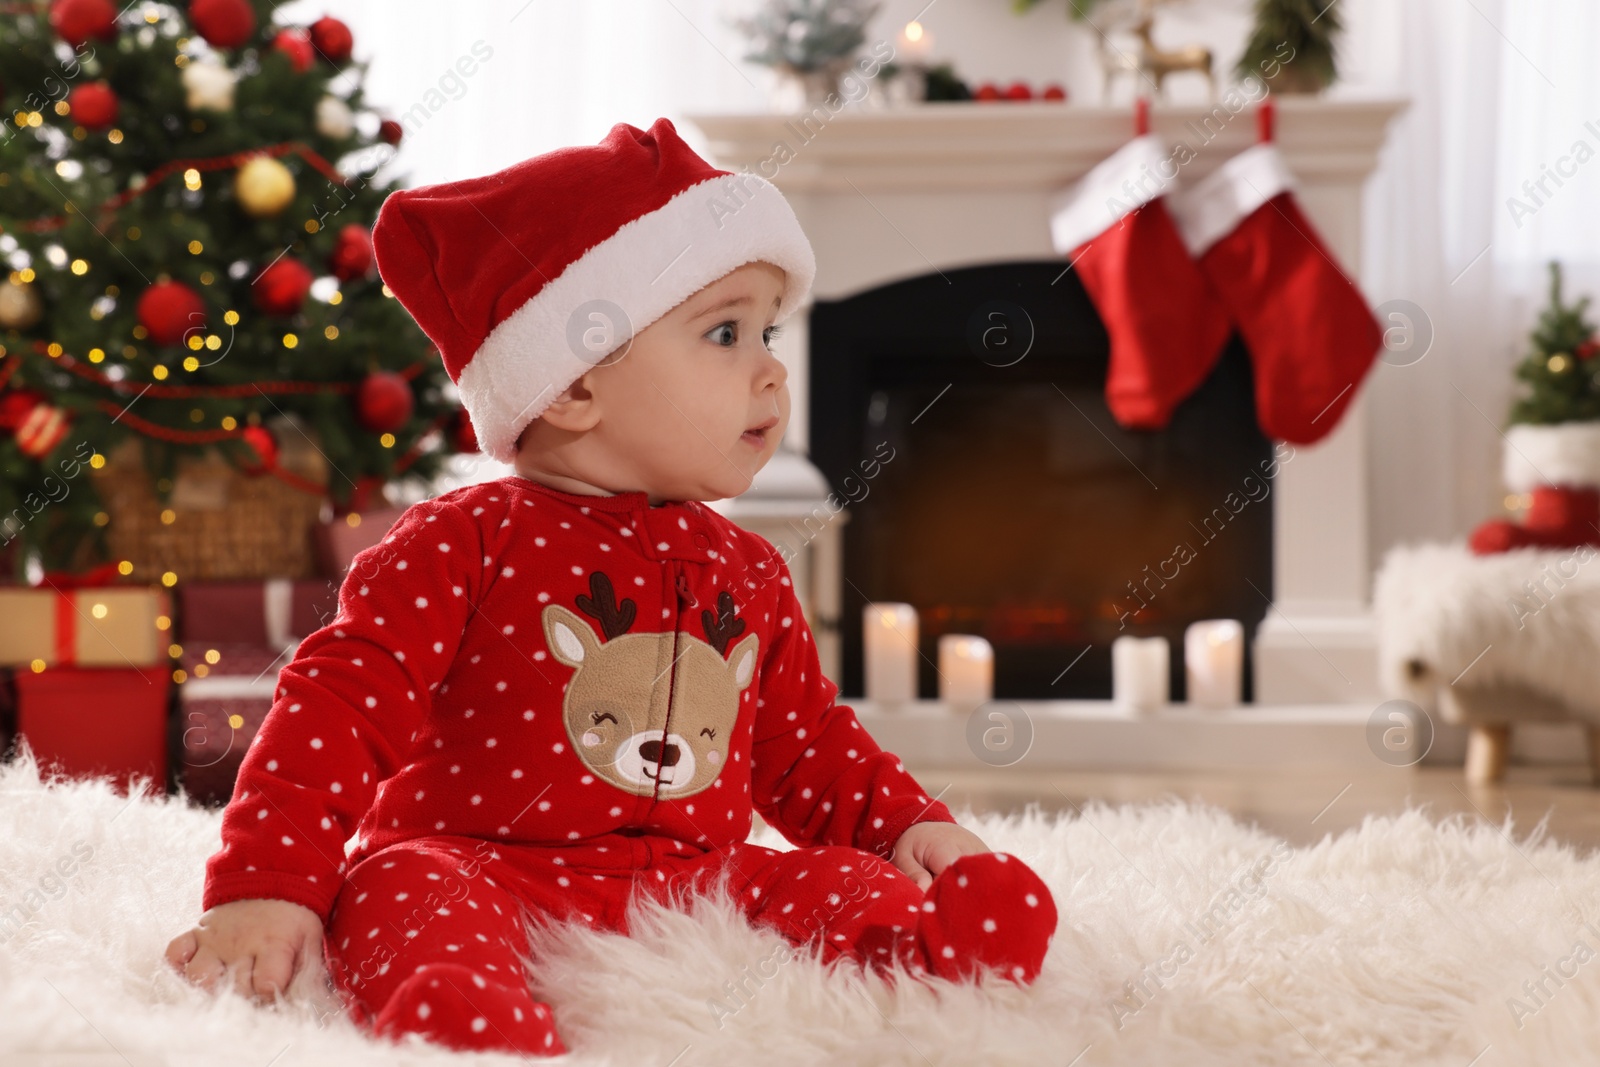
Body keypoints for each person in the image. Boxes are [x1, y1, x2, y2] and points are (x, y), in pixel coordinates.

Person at [164, 118, 1058, 1057]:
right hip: (481, 864)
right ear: (570, 385)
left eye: (768, 330)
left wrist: (911, 830)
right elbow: (336, 711)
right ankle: (458, 1006)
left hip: (692, 881)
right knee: (400, 889)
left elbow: (808, 748)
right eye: (724, 332)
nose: (771, 369)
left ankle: (931, 943)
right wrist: (267, 882)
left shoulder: (747, 568)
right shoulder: (464, 541)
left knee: (825, 878)